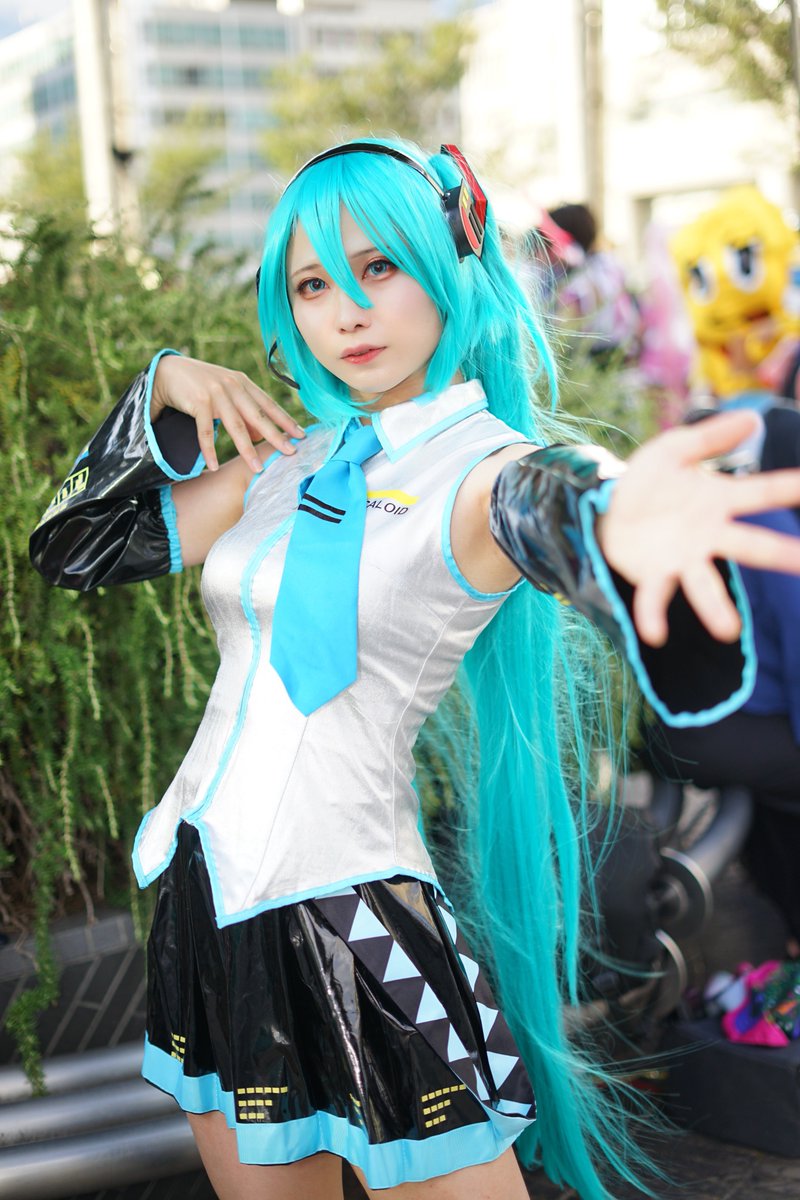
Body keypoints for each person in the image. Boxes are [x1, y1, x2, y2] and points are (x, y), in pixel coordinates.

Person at [28, 139, 800, 1200]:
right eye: (313, 284)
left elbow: (555, 500)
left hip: (358, 914)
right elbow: (75, 550)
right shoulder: (284, 462)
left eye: (379, 267)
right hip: (207, 891)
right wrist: (161, 387)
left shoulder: (484, 471)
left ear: (449, 270)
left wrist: (619, 512)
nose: (348, 311)